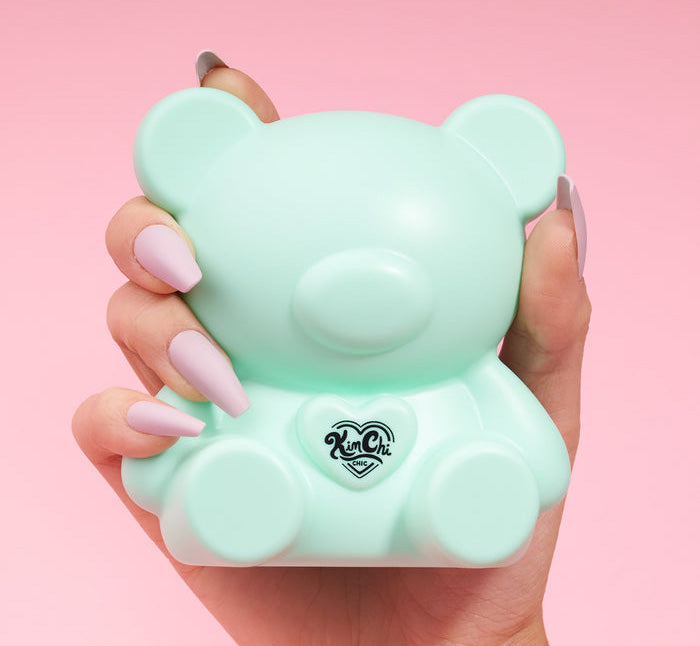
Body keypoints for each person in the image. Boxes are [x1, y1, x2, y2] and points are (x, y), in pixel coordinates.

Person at [72, 52, 591, 646]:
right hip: (262, 476)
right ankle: (240, 493)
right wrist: (171, 464)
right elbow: (150, 471)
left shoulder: (464, 375)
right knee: (230, 478)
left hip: (441, 504)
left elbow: (544, 472)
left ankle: (464, 497)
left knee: (476, 475)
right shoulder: (228, 376)